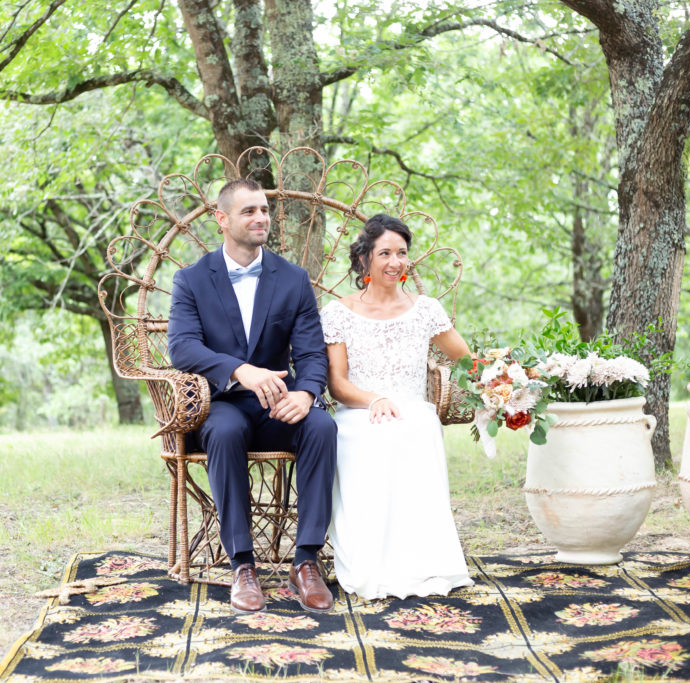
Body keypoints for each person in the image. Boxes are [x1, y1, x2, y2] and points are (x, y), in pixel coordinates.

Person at [168, 178, 338, 615]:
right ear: (222, 219)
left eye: (264, 210)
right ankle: (243, 565)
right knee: (223, 433)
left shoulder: (293, 279)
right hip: (222, 403)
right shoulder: (191, 280)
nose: (261, 217)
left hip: (280, 404)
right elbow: (182, 347)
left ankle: (306, 560)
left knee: (321, 426)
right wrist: (239, 370)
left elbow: (312, 352)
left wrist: (307, 393)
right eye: (249, 211)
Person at [320, 213, 475, 600]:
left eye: (402, 253)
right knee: (370, 438)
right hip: (360, 411)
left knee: (416, 428)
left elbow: (466, 359)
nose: (395, 262)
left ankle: (423, 562)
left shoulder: (425, 310)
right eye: (385, 253)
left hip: (412, 409)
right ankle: (373, 562)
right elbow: (336, 383)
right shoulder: (339, 312)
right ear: (364, 260)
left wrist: (505, 381)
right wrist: (375, 400)